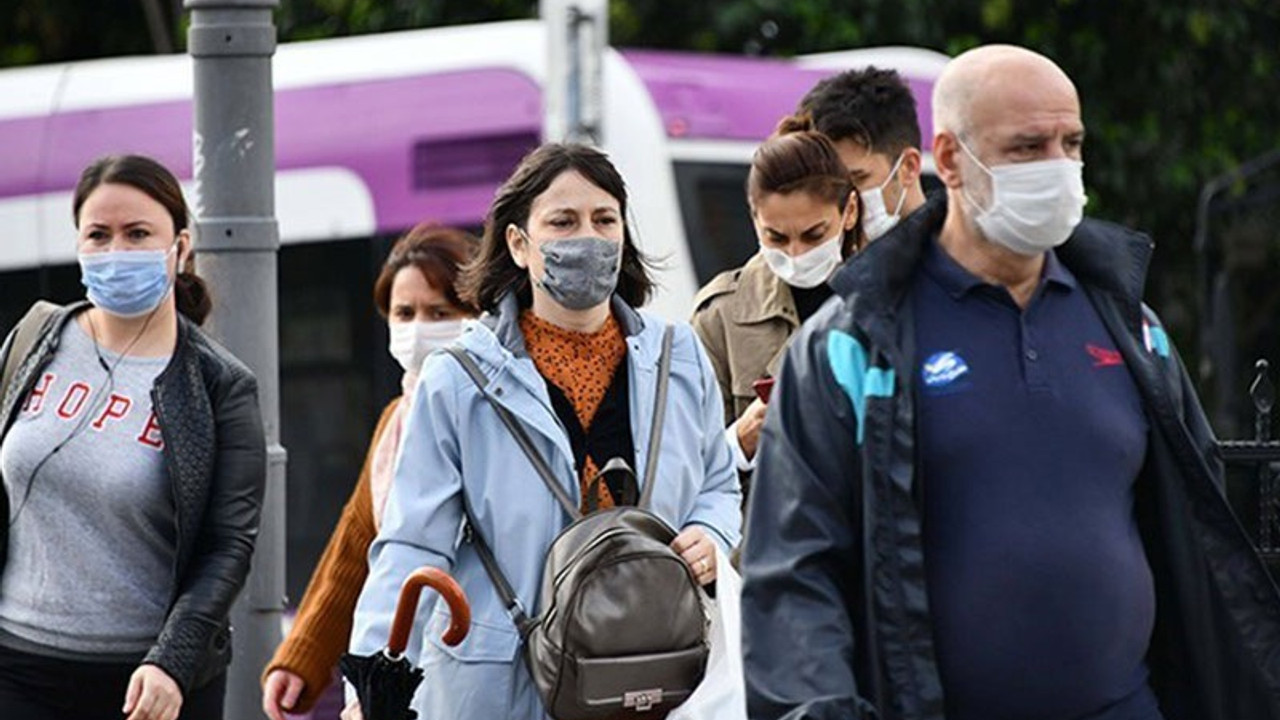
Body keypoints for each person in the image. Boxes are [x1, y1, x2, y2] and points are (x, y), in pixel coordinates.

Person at [741, 44, 1280, 720]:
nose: (1058, 167)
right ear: (949, 159)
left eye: (1071, 142)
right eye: (1028, 147)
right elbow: (797, 573)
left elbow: (1197, 534)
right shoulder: (855, 344)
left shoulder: (1128, 328)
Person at [345, 143, 741, 719]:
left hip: (653, 670)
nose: (587, 237)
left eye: (604, 220)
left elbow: (718, 484)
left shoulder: (679, 356)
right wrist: (373, 678)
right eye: (562, 221)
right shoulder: (459, 379)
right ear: (518, 244)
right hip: (508, 682)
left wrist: (710, 532)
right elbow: (412, 544)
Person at [0, 154, 266, 720]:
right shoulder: (32, 341)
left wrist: (173, 661)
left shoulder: (220, 387)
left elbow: (228, 545)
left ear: (181, 247)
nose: (116, 250)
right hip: (17, 668)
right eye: (98, 234)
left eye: (138, 233)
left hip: (150, 687)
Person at [260, 225, 480, 720]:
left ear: (478, 316)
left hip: (478, 662)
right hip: (407, 671)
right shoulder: (396, 422)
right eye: (404, 314)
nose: (418, 328)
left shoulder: (495, 413)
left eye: (440, 313)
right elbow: (358, 544)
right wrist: (302, 659)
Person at [692, 116, 862, 482]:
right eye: (776, 238)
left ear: (849, 212)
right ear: (754, 220)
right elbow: (682, 471)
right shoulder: (720, 314)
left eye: (814, 235)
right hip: (760, 532)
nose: (796, 253)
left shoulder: (887, 302)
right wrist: (740, 440)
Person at [798, 66, 928, 241]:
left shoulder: (963, 260)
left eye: (856, 179)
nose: (839, 199)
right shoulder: (804, 260)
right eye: (821, 184)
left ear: (908, 167)